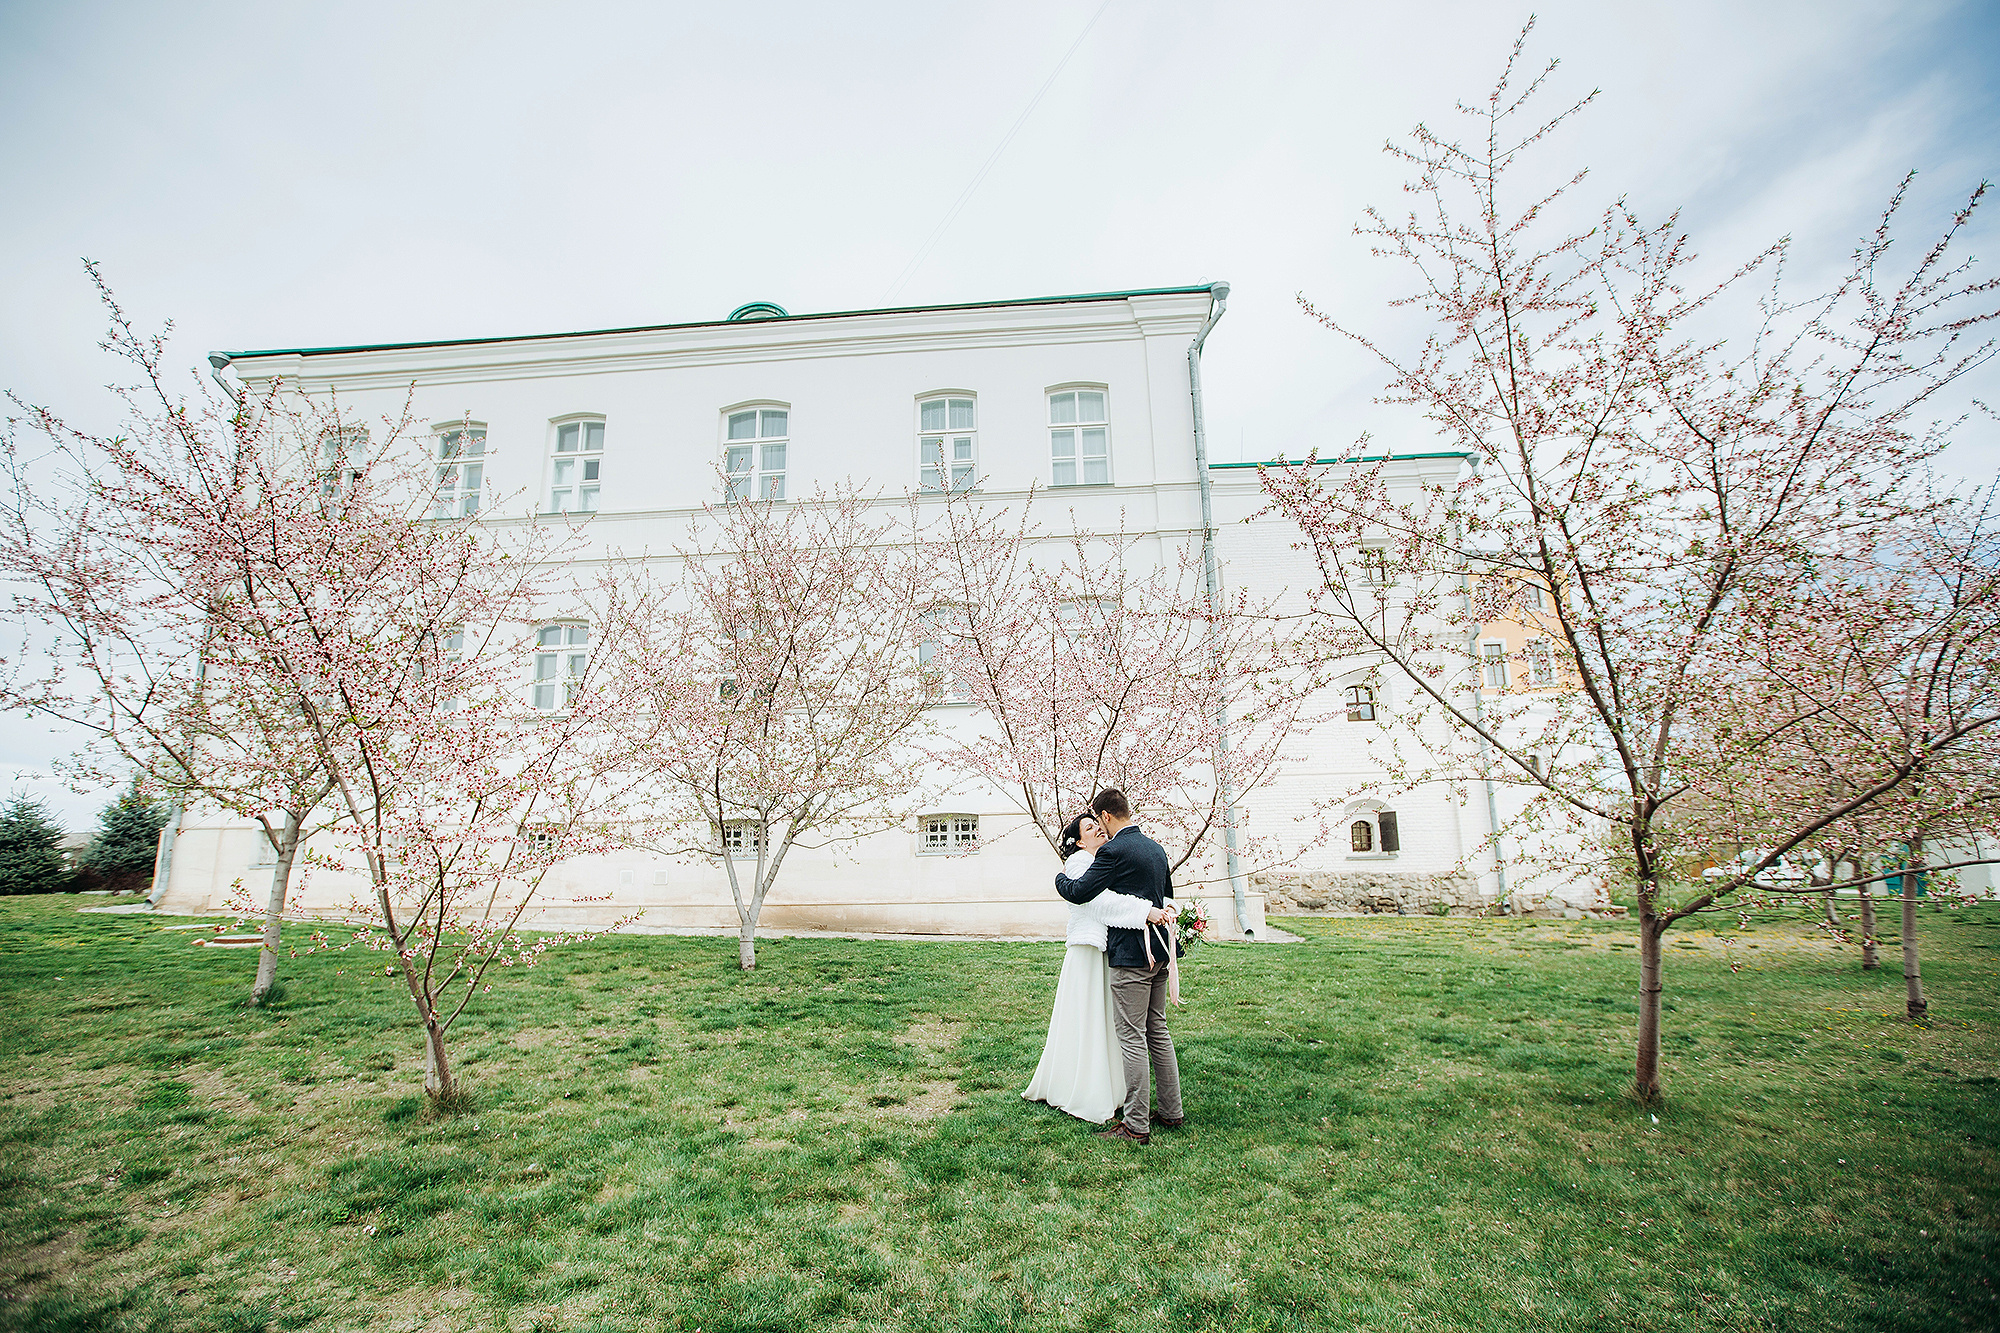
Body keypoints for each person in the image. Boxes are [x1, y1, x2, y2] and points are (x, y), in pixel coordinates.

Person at [1053, 788, 1183, 1144]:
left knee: (1131, 1035)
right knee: (1157, 1030)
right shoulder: (1155, 848)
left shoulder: (1113, 850)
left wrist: (1060, 879)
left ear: (1106, 817)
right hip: (1161, 951)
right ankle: (1172, 1111)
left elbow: (1083, 892)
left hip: (1131, 955)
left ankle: (1136, 1123)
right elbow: (1166, 897)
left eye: (1099, 821)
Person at [1021, 813, 1169, 1124]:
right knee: (1088, 1019)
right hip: (1088, 951)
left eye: (1098, 825)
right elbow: (1100, 902)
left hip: (1107, 952)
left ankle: (1113, 1088)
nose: (1098, 830)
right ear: (1078, 840)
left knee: (1107, 1022)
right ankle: (1085, 1089)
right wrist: (1146, 911)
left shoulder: (1103, 859)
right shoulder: (1078, 863)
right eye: (1090, 828)